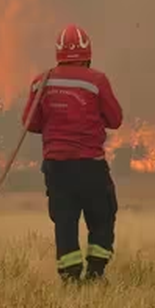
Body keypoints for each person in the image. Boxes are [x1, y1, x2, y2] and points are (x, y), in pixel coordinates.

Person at [22, 24, 124, 282]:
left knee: (65, 222)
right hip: (90, 166)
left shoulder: (40, 82)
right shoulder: (97, 81)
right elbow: (115, 119)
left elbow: (30, 123)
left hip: (56, 167)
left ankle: (69, 277)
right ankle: (95, 273)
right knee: (102, 217)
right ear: (87, 53)